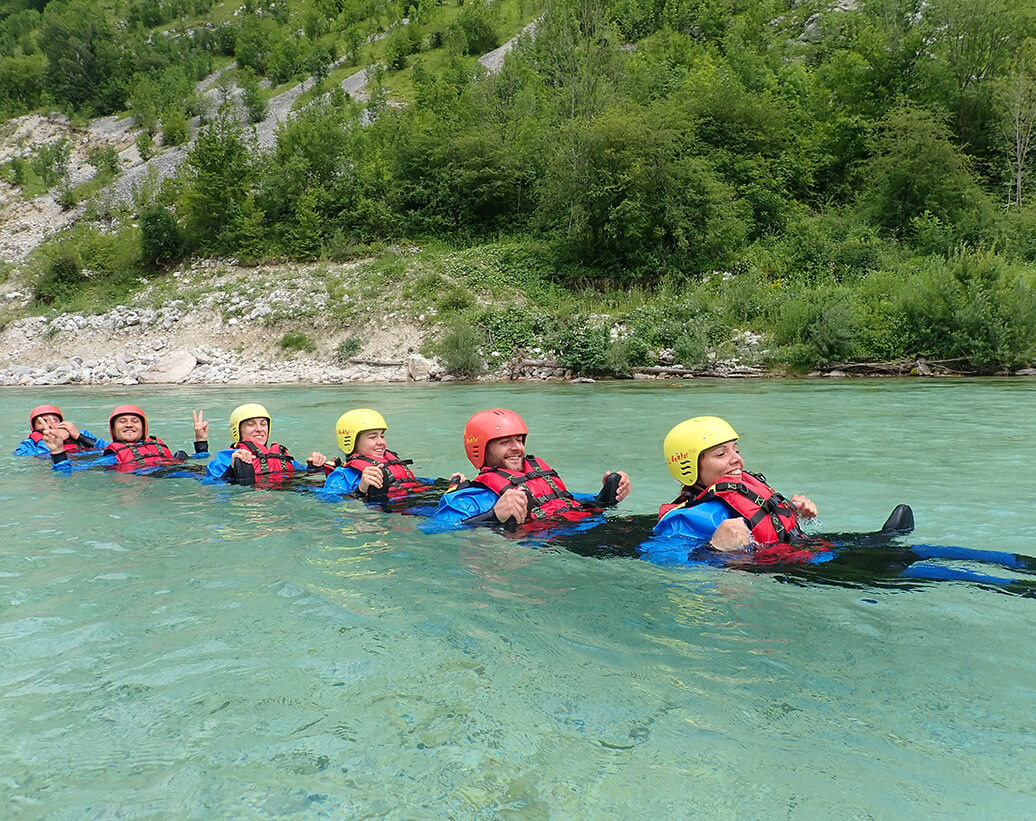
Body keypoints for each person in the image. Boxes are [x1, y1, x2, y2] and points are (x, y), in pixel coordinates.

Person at [431, 408, 631, 528]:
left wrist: (606, 495)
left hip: (586, 525)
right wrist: (494, 515)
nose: (517, 447)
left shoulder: (538, 477)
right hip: (559, 544)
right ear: (481, 449)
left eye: (519, 440)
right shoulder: (466, 499)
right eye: (505, 442)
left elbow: (566, 501)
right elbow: (435, 529)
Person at [653, 416, 818, 552]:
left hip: (802, 553)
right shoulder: (679, 524)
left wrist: (797, 514)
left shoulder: (746, 491)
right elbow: (666, 564)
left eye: (736, 450)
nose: (737, 460)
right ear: (689, 467)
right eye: (721, 454)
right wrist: (716, 548)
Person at [45, 404, 209, 472]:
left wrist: (200, 440)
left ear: (144, 428)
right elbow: (70, 472)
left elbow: (200, 458)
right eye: (122, 422)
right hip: (150, 480)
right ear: (114, 431)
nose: (129, 425)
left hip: (178, 472)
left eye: (135, 421)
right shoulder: (112, 458)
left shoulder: (157, 446)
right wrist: (58, 451)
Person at [322, 409, 439, 499]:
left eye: (382, 436)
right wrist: (361, 489)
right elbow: (330, 503)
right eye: (372, 437)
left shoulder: (388, 464)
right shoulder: (341, 476)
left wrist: (443, 484)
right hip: (389, 513)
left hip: (412, 502)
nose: (381, 442)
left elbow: (414, 483)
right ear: (351, 441)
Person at [204, 403, 327, 485]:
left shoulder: (280, 455)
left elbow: (299, 472)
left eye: (263, 424)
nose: (259, 429)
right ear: (238, 430)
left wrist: (314, 467)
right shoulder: (225, 457)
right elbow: (211, 487)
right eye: (251, 424)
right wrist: (232, 469)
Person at [14, 404, 108, 456]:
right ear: (34, 428)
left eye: (55, 420)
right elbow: (22, 457)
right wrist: (48, 442)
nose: (49, 425)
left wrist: (80, 437)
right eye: (43, 422)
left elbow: (108, 448)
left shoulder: (82, 434)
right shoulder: (28, 444)